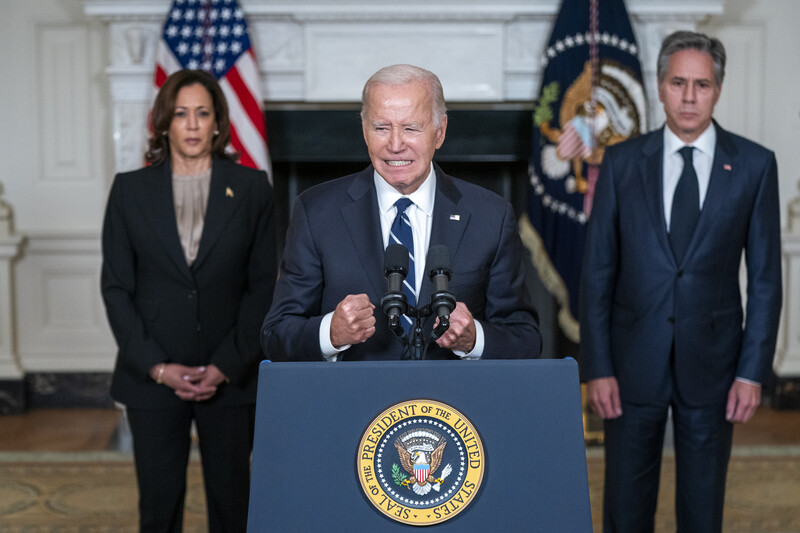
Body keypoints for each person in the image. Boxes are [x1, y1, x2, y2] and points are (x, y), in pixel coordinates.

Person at [580, 31, 782, 532]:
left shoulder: (755, 166)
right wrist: (598, 367)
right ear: (659, 85)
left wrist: (751, 373)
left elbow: (764, 280)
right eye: (678, 83)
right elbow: (598, 273)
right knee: (625, 512)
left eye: (702, 85)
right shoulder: (622, 163)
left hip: (714, 368)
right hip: (630, 367)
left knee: (701, 512)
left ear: (718, 89)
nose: (689, 97)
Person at [262, 64, 541, 362]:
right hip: (353, 404)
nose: (395, 145)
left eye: (411, 128)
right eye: (382, 128)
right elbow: (276, 335)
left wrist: (474, 340)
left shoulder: (490, 216)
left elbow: (526, 339)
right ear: (365, 131)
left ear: (439, 132)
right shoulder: (317, 212)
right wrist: (329, 332)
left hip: (453, 405)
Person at [101, 69, 278, 532]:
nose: (194, 125)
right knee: (159, 509)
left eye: (203, 113)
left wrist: (226, 364)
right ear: (163, 123)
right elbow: (116, 288)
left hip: (232, 378)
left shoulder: (252, 188)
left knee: (233, 506)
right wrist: (157, 367)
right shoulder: (128, 191)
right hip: (151, 380)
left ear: (219, 122)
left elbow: (264, 286)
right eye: (182, 114)